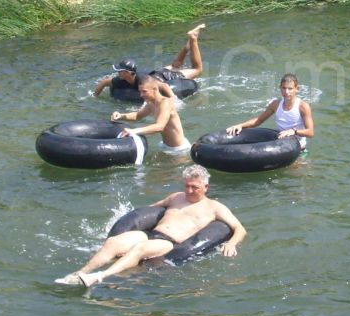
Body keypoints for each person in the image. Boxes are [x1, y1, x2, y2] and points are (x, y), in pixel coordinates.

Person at [55, 165, 245, 287]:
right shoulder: (176, 197)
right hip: (151, 233)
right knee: (113, 242)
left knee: (140, 249)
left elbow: (239, 228)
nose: (189, 190)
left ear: (206, 187)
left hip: (169, 244)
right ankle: (79, 274)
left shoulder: (214, 207)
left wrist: (231, 244)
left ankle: (99, 276)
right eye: (187, 185)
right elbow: (150, 210)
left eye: (194, 187)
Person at [93, 24, 205, 100]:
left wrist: (174, 102)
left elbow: (165, 87)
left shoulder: (143, 81)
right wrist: (95, 97)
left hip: (165, 77)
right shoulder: (120, 80)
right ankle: (186, 48)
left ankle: (193, 38)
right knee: (176, 65)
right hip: (156, 74)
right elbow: (104, 83)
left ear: (128, 73)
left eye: (120, 70)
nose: (117, 72)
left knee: (197, 69)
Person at [226, 73, 315, 148]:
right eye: (284, 88)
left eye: (290, 88)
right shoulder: (275, 104)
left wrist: (293, 131)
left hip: (298, 149)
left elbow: (310, 132)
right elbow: (258, 121)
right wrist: (240, 126)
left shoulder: (303, 106)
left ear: (297, 89)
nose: (286, 92)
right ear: (280, 87)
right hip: (281, 146)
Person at [111, 76, 190, 152]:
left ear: (154, 89)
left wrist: (134, 131)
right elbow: (137, 115)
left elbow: (160, 126)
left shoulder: (166, 103)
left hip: (179, 149)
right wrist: (121, 116)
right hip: (165, 145)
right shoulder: (151, 103)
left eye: (144, 91)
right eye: (140, 92)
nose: (141, 95)